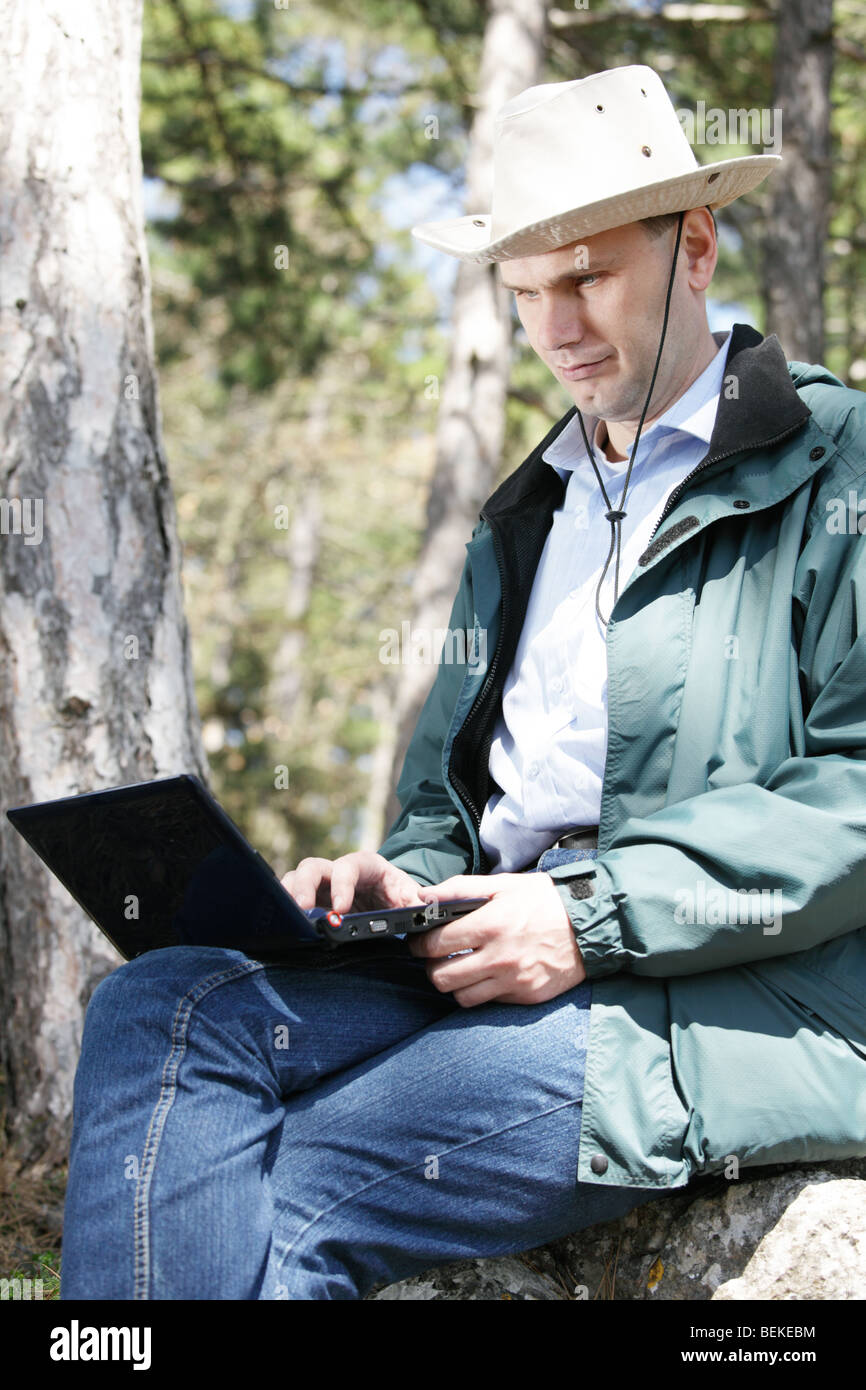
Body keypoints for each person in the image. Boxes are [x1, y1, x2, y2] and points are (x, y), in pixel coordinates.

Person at [60, 64, 866, 1301]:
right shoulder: (527, 511)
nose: (554, 330)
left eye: (587, 276)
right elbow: (457, 810)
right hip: (477, 954)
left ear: (695, 245)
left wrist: (584, 915)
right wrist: (399, 881)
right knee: (163, 1006)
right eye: (526, 291)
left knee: (290, 1187)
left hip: (715, 996)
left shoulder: (832, 468)